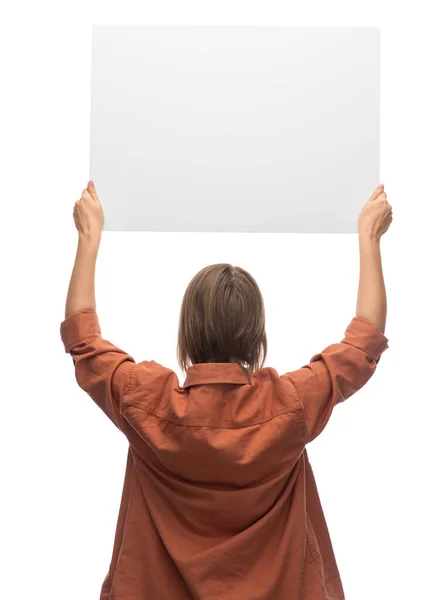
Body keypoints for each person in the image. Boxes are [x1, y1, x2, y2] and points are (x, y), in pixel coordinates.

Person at [61, 181, 392, 599]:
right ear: (257, 340)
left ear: (186, 334)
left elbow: (83, 341)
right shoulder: (289, 407)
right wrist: (370, 238)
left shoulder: (142, 401)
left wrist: (88, 237)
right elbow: (364, 342)